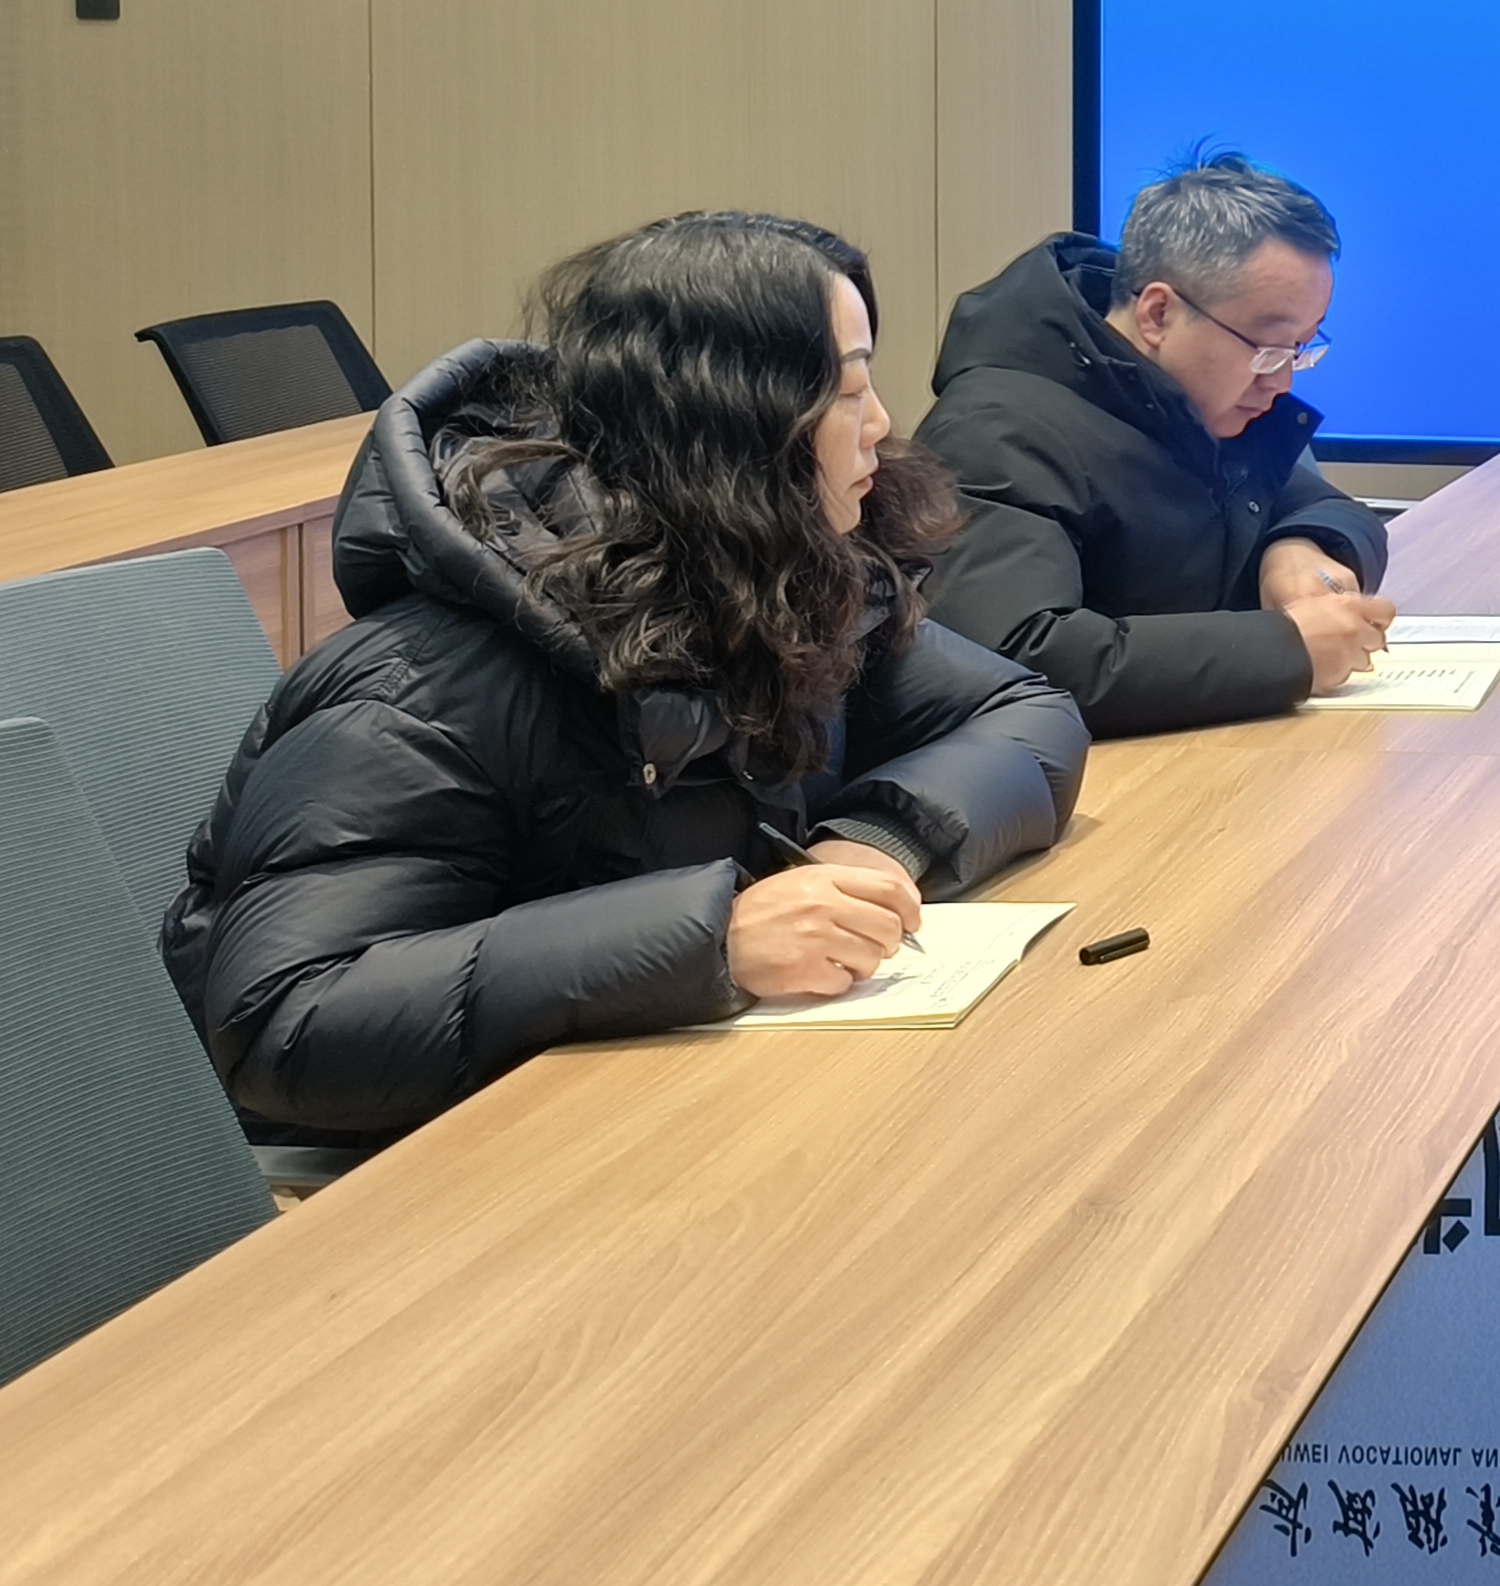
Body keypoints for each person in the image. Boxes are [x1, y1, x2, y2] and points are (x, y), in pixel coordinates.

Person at [166, 214, 1089, 1140]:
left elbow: (1024, 710)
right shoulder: (421, 688)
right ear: (732, 427)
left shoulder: (775, 590)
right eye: (847, 390)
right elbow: (284, 1020)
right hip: (429, 1168)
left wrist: (878, 840)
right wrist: (711, 937)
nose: (882, 425)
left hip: (660, 1110)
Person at [918, 155, 1396, 736]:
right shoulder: (996, 431)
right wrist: (1286, 650)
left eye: (1301, 348)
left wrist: (1298, 547)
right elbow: (1019, 655)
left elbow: (1330, 507)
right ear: (1159, 313)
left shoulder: (1194, 399)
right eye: (1269, 348)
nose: (1282, 380)